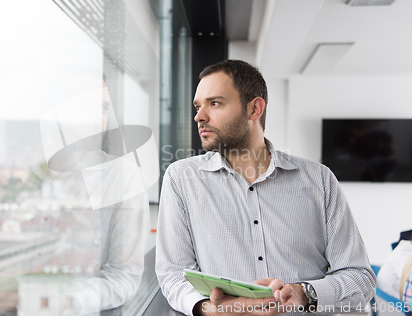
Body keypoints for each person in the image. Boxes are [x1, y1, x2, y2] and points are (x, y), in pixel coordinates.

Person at [155, 59, 376, 315]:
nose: (199, 116)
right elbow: (173, 275)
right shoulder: (181, 179)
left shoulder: (319, 180)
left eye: (214, 103)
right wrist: (210, 309)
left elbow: (360, 277)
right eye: (198, 106)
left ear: (254, 109)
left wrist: (302, 294)